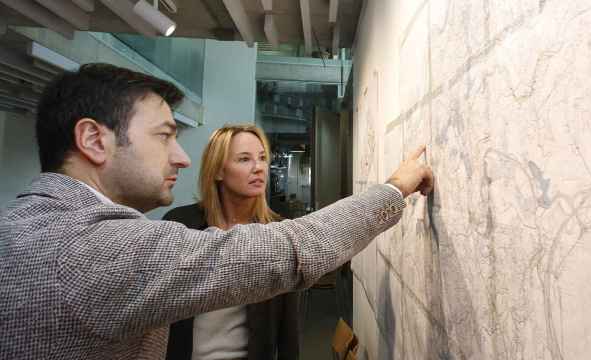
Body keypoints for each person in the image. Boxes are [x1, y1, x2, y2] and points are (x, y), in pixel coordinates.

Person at [0, 63, 434, 360]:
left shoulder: (25, 228)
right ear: (95, 140)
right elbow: (292, 250)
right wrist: (395, 188)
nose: (180, 158)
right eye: (164, 136)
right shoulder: (89, 248)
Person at [163, 125, 299, 360]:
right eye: (244, 159)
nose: (258, 168)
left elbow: (289, 327)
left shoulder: (277, 232)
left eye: (263, 158)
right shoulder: (180, 224)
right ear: (218, 171)